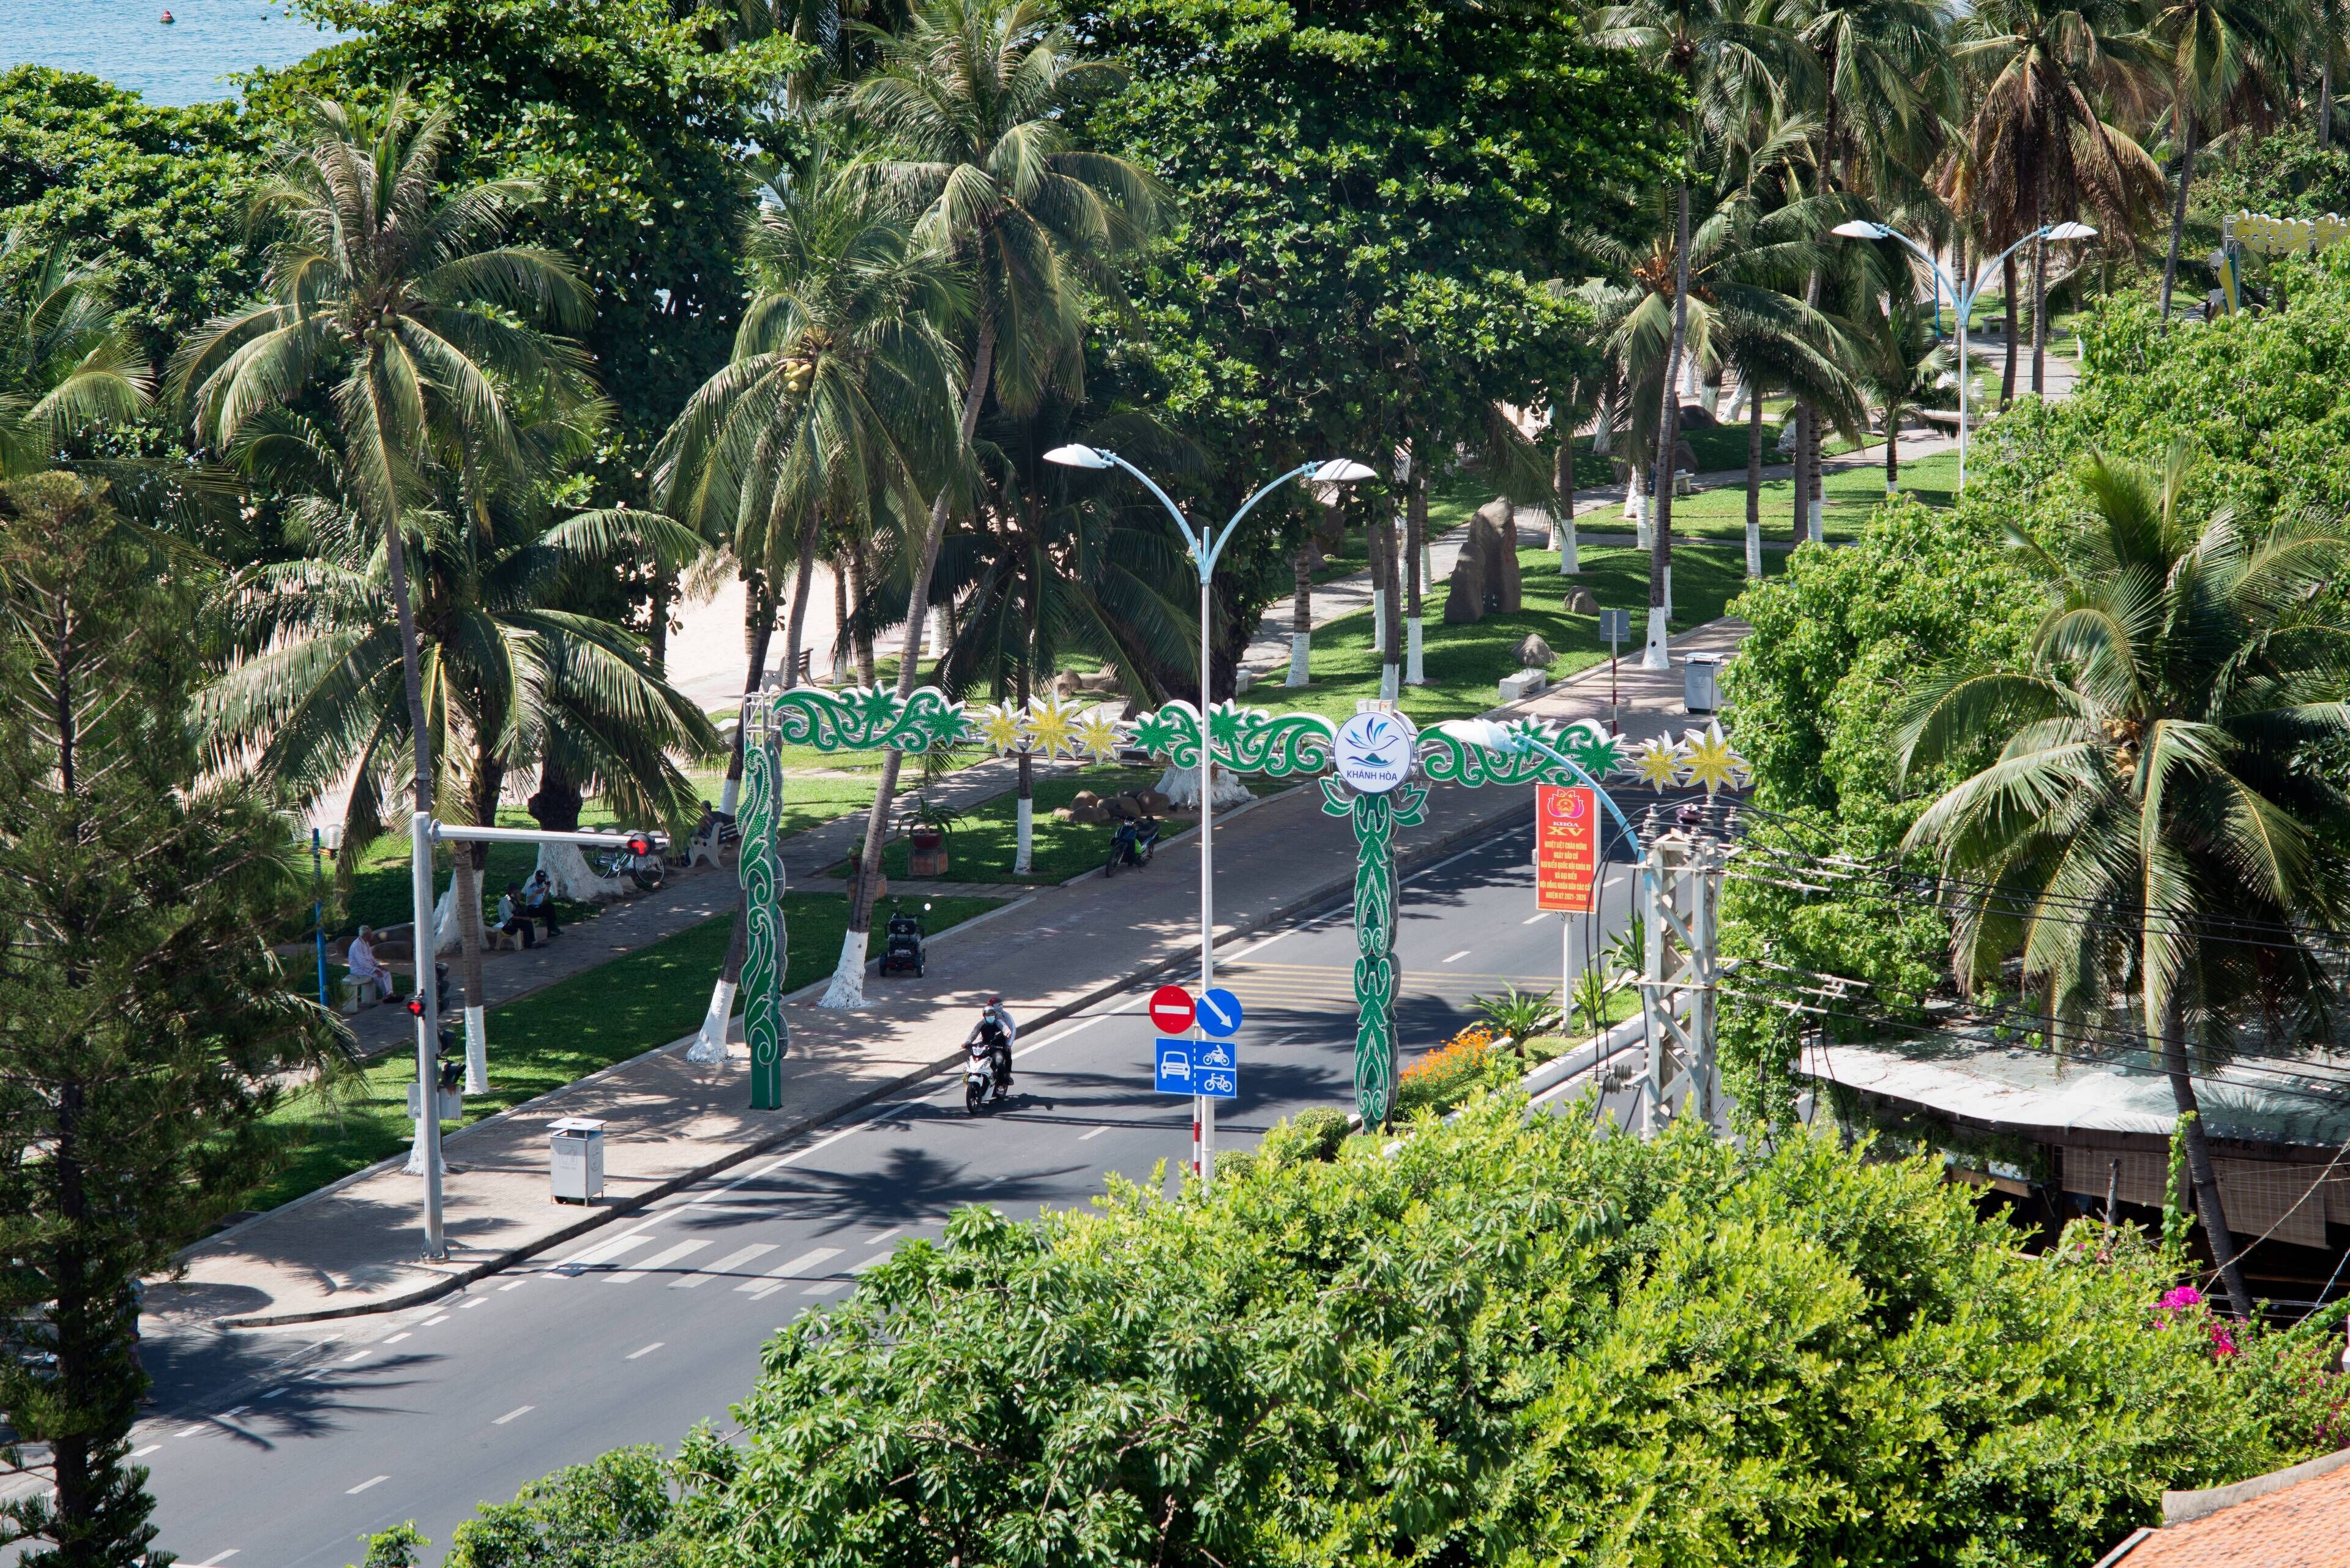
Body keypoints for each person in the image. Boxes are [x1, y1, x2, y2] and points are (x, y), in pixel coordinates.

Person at [345, 925, 396, 1002]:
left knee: (386, 973)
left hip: (367, 967)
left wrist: (379, 966)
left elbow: (371, 958)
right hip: (359, 970)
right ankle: (388, 995)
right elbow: (362, 962)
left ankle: (389, 994)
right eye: (371, 934)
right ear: (366, 936)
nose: (372, 935)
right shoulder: (357, 945)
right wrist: (375, 970)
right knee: (380, 976)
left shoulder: (366, 943)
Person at [521, 868, 561, 938]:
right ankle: (552, 930)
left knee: (550, 907)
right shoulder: (532, 887)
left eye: (543, 878)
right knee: (549, 909)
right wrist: (535, 893)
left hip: (537, 907)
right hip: (531, 910)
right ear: (536, 877)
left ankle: (552, 930)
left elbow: (544, 899)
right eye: (540, 878)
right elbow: (528, 901)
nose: (541, 879)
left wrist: (548, 888)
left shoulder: (541, 887)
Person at [496, 883, 537, 949]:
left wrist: (518, 901)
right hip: (508, 923)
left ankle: (533, 941)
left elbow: (519, 911)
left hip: (515, 920)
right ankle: (528, 944)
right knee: (526, 923)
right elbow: (509, 916)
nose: (517, 894)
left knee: (529, 921)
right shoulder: (504, 901)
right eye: (515, 893)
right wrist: (523, 919)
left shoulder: (513, 900)